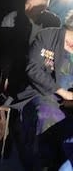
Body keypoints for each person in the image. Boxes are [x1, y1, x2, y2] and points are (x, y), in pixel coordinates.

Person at [13, 10, 73, 170]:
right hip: (41, 93)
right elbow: (33, 70)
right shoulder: (48, 36)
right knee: (47, 117)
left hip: (69, 100)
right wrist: (62, 92)